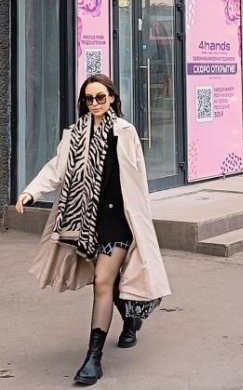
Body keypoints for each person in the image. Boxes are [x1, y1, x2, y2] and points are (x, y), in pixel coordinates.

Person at [14, 74, 171, 386]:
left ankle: (93, 359)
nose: (95, 103)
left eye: (101, 97)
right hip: (87, 221)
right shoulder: (75, 134)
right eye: (89, 99)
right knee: (108, 281)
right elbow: (56, 168)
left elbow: (137, 178)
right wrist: (30, 192)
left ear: (112, 98)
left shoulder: (124, 131)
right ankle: (131, 320)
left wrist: (142, 219)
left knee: (101, 281)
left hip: (119, 220)